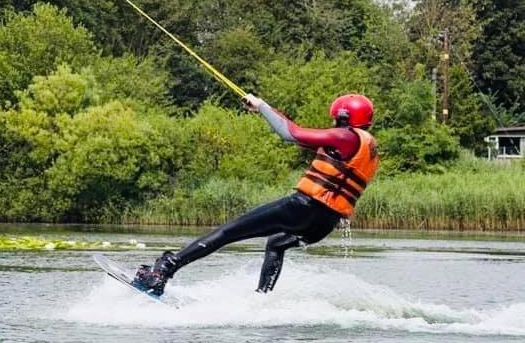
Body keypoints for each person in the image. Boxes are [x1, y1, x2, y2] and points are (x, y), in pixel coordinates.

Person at [133, 93, 380, 297]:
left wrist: (261, 106)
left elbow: (289, 134)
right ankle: (262, 298)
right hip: (324, 223)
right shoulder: (366, 146)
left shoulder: (345, 136)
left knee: (228, 231)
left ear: (343, 117)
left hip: (304, 207)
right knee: (276, 243)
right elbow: (294, 131)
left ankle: (164, 270)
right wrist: (264, 108)